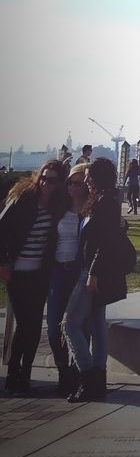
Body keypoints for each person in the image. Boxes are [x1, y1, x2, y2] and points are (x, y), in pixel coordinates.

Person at [0, 159, 69, 395]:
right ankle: (13, 373)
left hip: (40, 274)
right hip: (17, 272)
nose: (45, 183)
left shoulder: (58, 206)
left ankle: (25, 373)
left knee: (33, 324)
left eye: (51, 180)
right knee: (25, 324)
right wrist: (4, 263)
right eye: (43, 177)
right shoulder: (23, 199)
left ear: (59, 183)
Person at [62, 157, 128, 402]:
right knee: (97, 325)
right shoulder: (100, 202)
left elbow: (104, 245)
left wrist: (92, 274)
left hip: (91, 272)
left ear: (98, 178)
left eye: (89, 176)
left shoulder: (104, 203)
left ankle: (88, 378)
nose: (86, 181)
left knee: (70, 324)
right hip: (90, 269)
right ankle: (97, 382)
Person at [47, 164, 88, 396]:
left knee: (77, 327)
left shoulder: (91, 210)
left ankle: (79, 372)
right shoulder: (59, 208)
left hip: (79, 272)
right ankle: (64, 371)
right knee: (54, 329)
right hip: (57, 271)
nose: (73, 187)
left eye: (78, 182)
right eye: (70, 182)